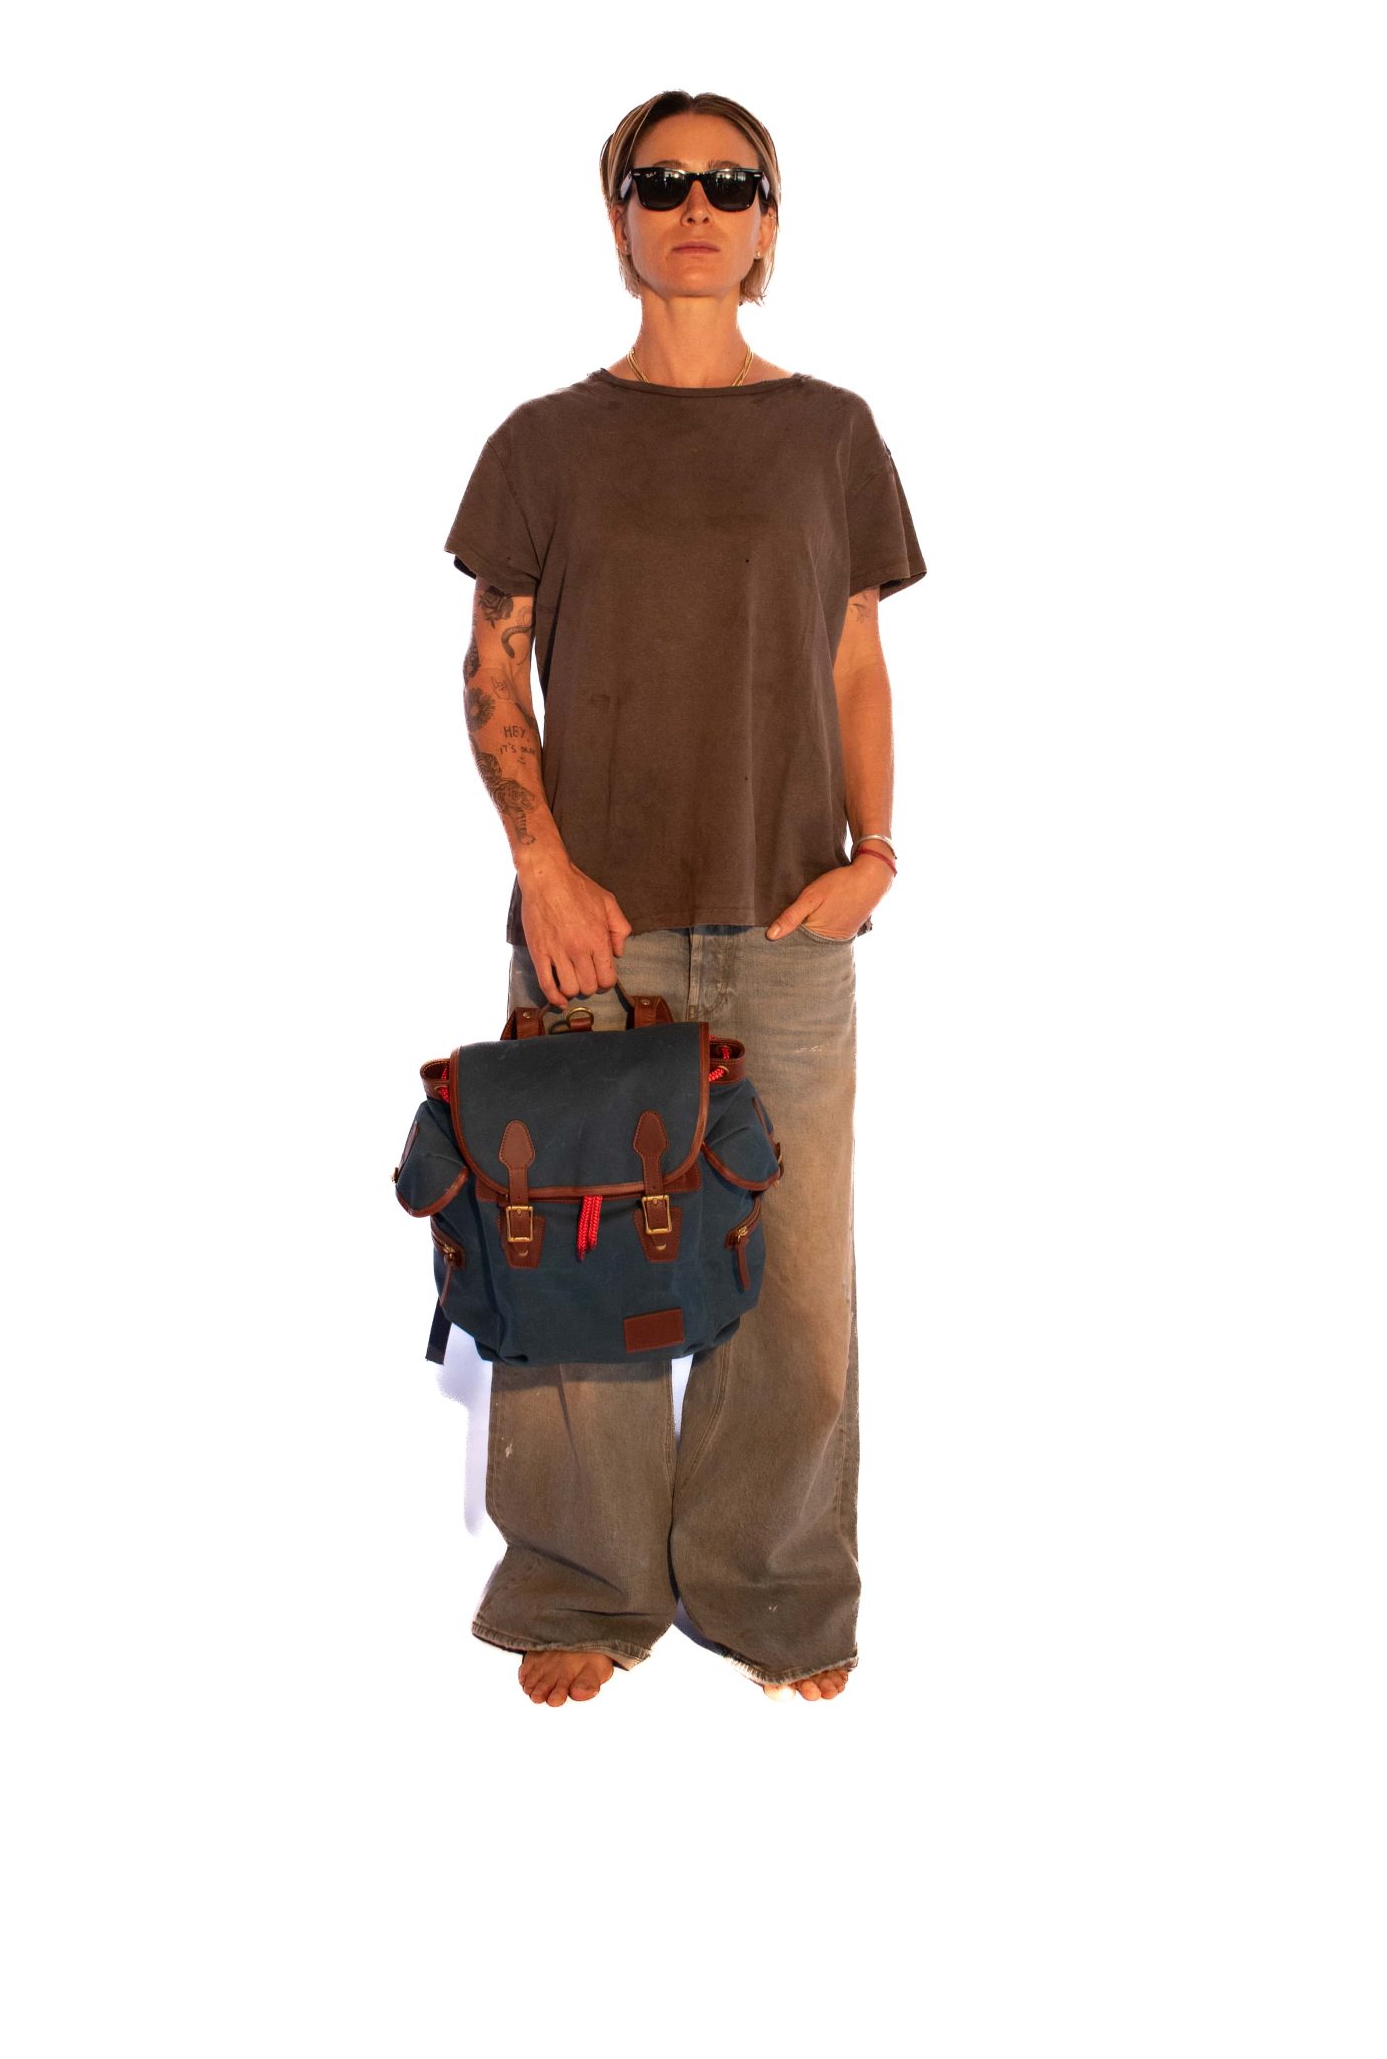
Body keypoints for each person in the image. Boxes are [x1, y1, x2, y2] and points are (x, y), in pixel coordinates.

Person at [441, 87, 927, 1705]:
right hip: (597, 924)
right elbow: (492, 669)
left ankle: (771, 1589)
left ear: (771, 221)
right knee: (573, 1262)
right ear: (620, 218)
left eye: (732, 181)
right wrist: (544, 869)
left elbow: (856, 659)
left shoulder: (833, 434)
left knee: (795, 1288)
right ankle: (581, 1587)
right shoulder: (544, 443)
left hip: (787, 922)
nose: (697, 207)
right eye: (663, 183)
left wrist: (873, 854)